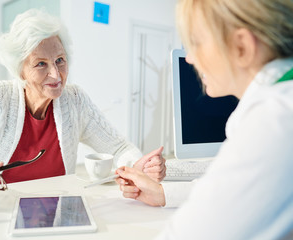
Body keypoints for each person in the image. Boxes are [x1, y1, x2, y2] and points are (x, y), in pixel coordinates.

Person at [0, 9, 166, 206]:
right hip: (2, 208)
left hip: (61, 207)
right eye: (41, 63)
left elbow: (119, 148)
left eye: (60, 60)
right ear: (20, 70)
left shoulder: (75, 99)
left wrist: (139, 167)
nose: (55, 74)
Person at [116, 0, 293, 239]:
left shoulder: (272, 121)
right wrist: (163, 193)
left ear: (241, 46)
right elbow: (231, 192)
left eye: (196, 43)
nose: (189, 58)